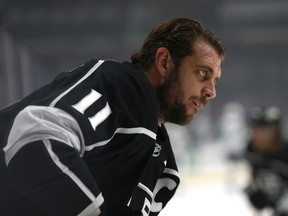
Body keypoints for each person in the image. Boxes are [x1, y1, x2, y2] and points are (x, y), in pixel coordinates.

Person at [0, 17, 225, 216]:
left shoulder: (162, 159)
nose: (211, 91)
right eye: (203, 73)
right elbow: (36, 139)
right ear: (164, 62)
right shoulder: (123, 88)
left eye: (215, 81)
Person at [244, 106, 288, 216]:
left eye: (262, 130)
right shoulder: (253, 152)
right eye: (254, 129)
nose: (257, 136)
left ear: (276, 132)